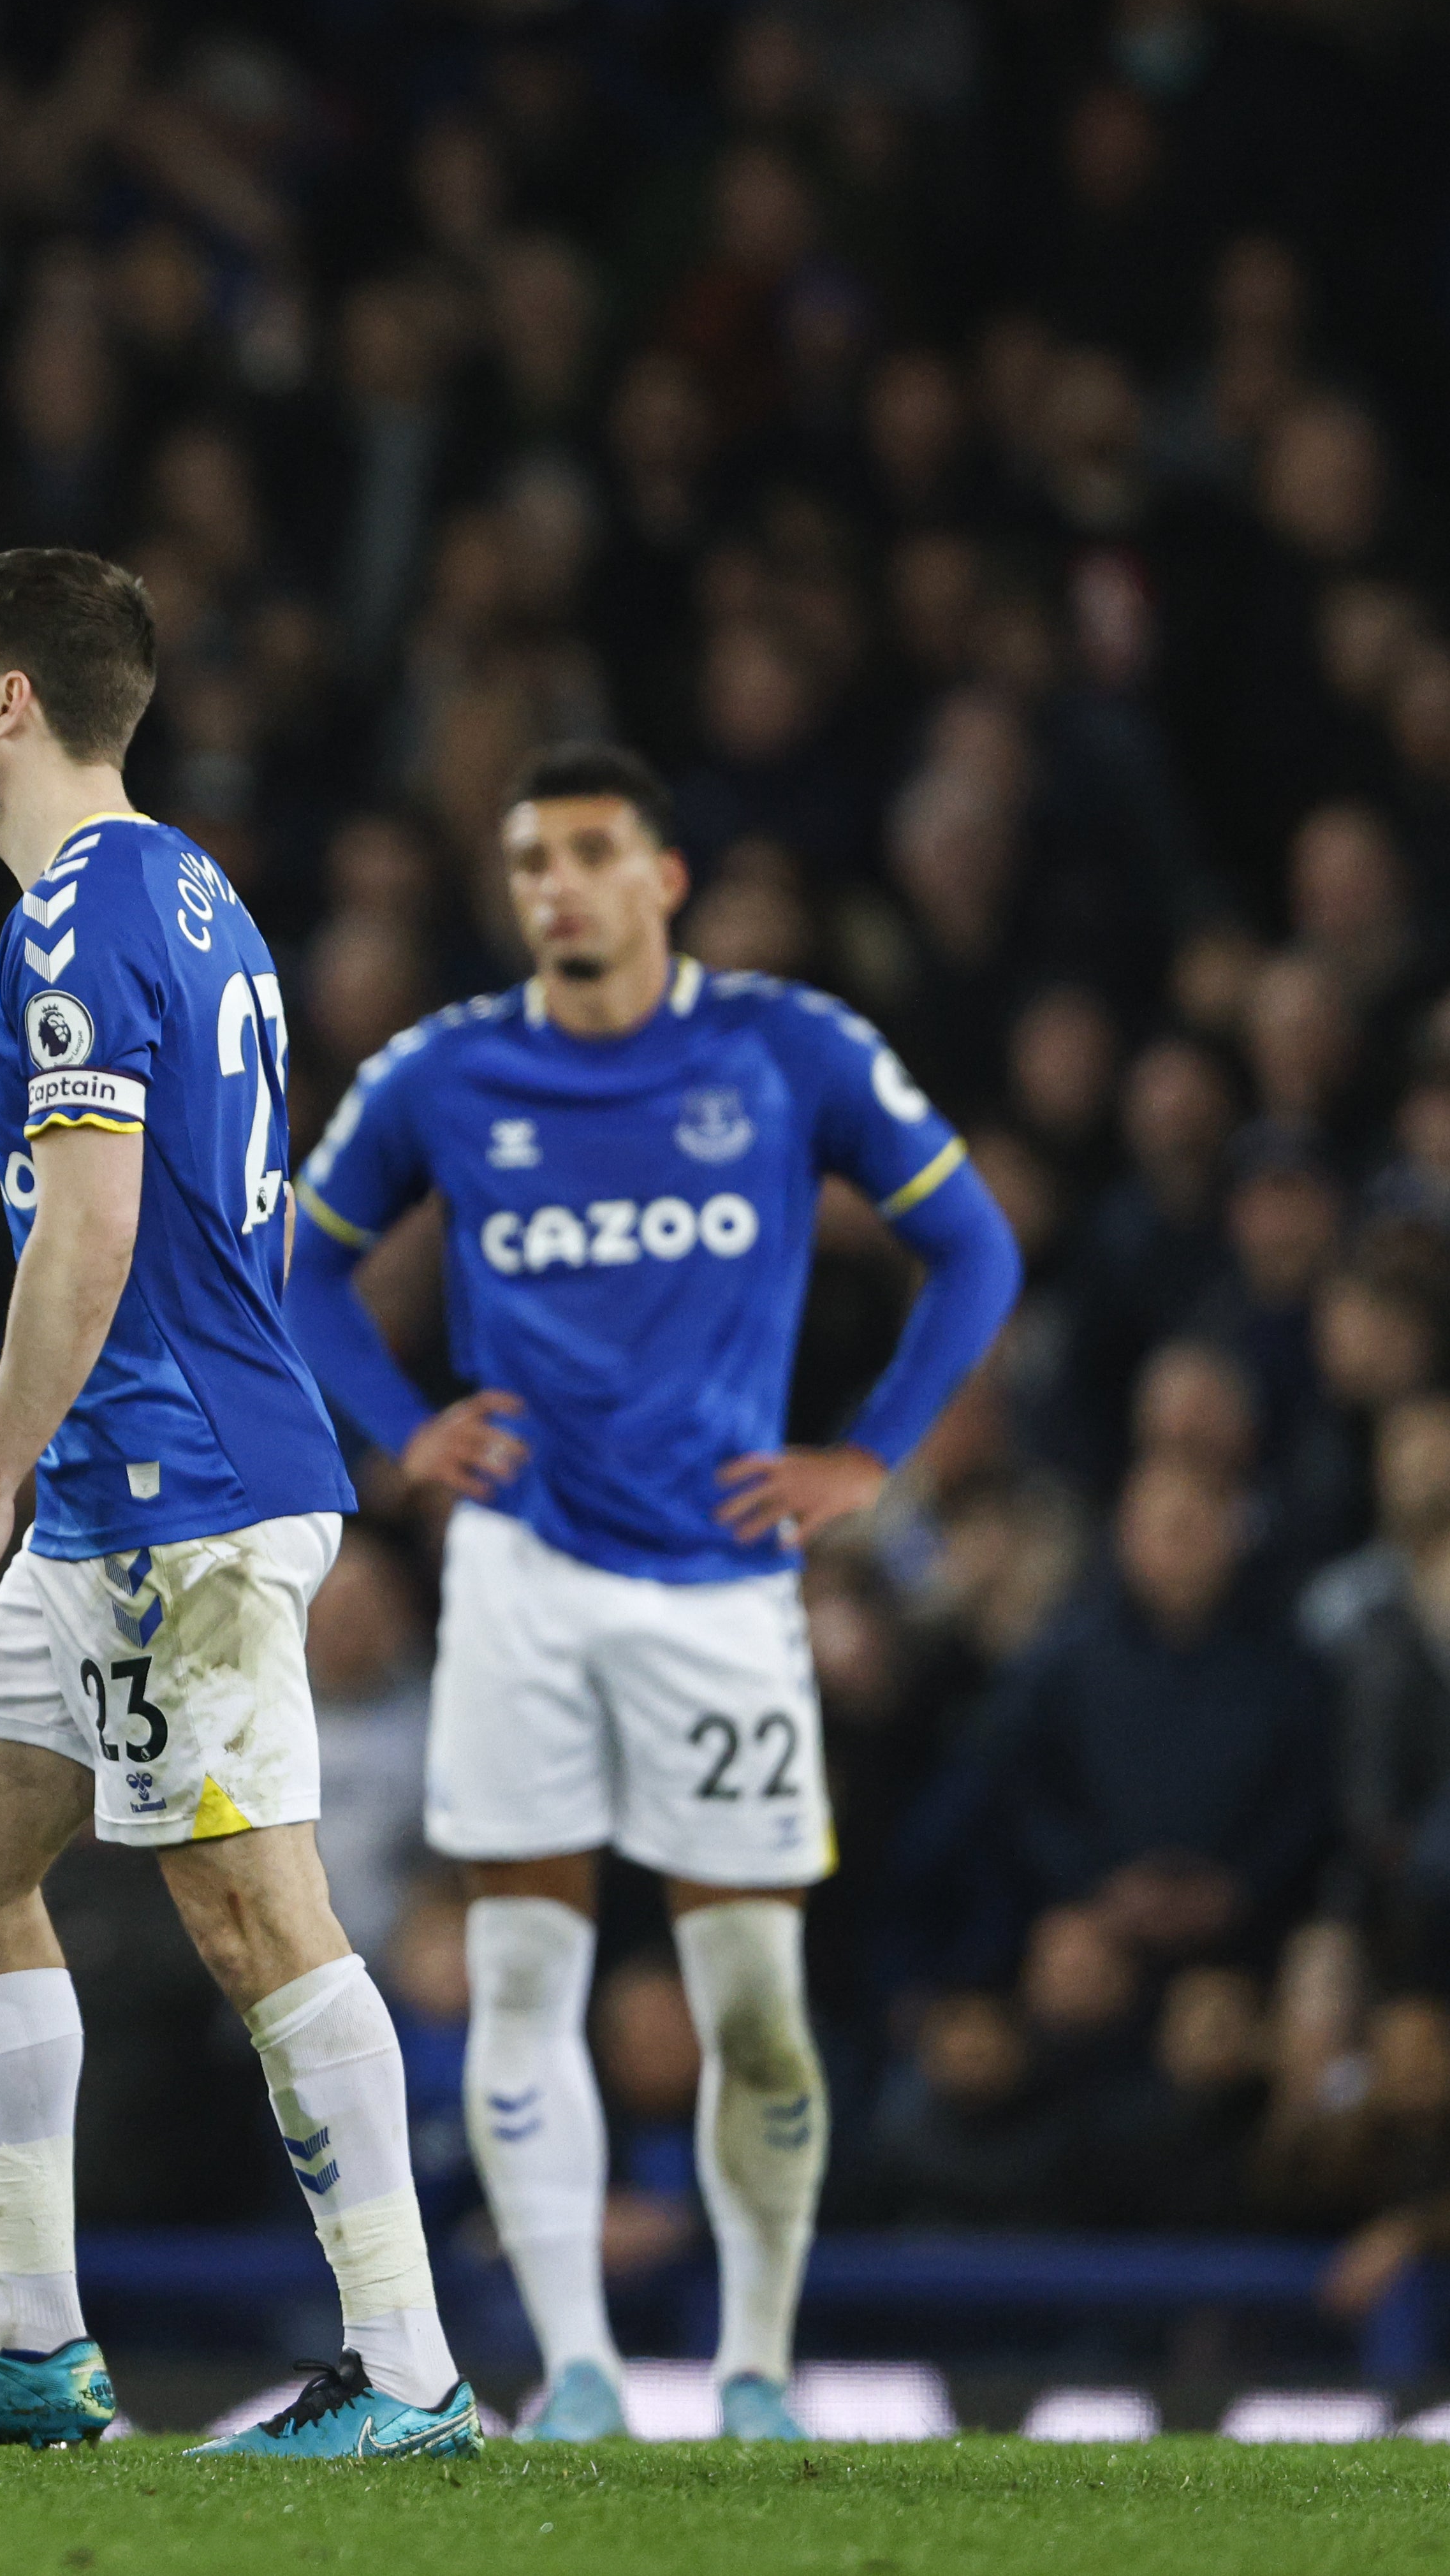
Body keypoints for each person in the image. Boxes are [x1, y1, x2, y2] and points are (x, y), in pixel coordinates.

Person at [286, 742, 1022, 2442]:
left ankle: (758, 2365)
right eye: (531, 857)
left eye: (592, 852)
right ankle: (588, 2370)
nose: (557, 885)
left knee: (750, 1995)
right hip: (524, 1577)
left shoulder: (784, 1048)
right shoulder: (445, 1072)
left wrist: (873, 1458)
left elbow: (975, 1242)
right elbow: (304, 1264)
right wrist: (406, 1429)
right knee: (526, 1977)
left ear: (663, 878)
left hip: (721, 1592)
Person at [0, 548, 480, 2462]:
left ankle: (409, 2372)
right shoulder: (198, 893)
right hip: (142, 1478)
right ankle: (34, 2341)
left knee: (247, 1902)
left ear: (11, 704)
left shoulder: (72, 916)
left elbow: (96, 1222)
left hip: (173, 1483)